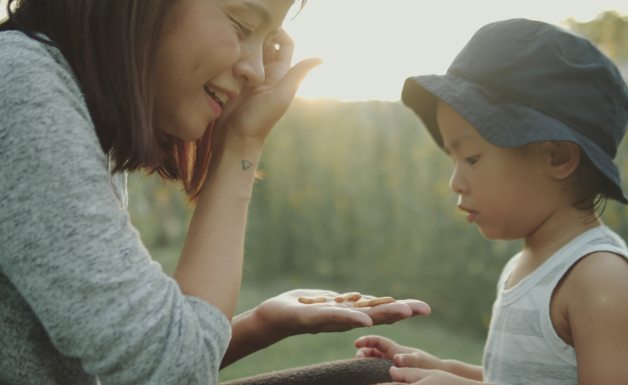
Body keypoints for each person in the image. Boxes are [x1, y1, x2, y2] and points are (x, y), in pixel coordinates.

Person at [0, 1, 430, 384]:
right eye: (242, 26)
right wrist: (241, 145)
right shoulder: (21, 92)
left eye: (266, 44)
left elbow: (132, 364)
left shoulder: (64, 102)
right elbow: (174, 370)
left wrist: (262, 324)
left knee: (381, 376)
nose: (257, 71)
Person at [355, 18, 628, 385]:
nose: (455, 182)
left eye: (471, 158)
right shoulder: (528, 266)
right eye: (452, 160)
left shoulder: (599, 279)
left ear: (558, 157)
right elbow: (511, 378)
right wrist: (439, 367)